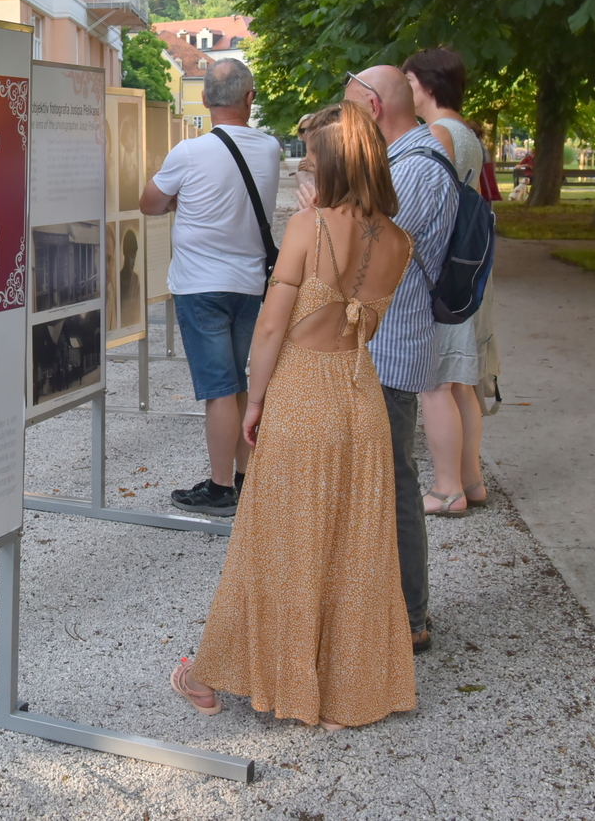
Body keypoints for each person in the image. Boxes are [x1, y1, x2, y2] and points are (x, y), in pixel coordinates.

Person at [171, 102, 417, 728]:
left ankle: (210, 677)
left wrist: (254, 400)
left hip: (304, 393)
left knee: (274, 543)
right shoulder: (398, 239)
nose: (303, 166)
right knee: (353, 548)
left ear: (331, 164)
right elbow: (367, 321)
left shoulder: (310, 227)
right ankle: (343, 695)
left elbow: (273, 326)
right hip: (360, 394)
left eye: (310, 158)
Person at [344, 64, 457, 653]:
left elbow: (367, 250)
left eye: (348, 110)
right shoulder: (407, 162)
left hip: (391, 345)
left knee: (392, 479)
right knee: (386, 476)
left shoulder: (411, 168)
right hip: (389, 340)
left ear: (372, 106)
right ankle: (395, 606)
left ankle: (410, 615)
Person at [140, 59, 282, 517]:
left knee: (219, 388)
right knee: (240, 383)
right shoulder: (270, 149)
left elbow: (150, 203)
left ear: (204, 100)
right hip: (251, 284)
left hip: (201, 286)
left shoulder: (189, 152)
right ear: (250, 98)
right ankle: (246, 480)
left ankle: (221, 489)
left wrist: (183, 198)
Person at [404, 47, 489, 516]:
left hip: (441, 270)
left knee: (435, 382)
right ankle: (470, 480)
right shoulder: (466, 131)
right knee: (460, 383)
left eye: (409, 80)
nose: (405, 89)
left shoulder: (437, 133)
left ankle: (446, 488)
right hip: (464, 268)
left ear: (428, 84)